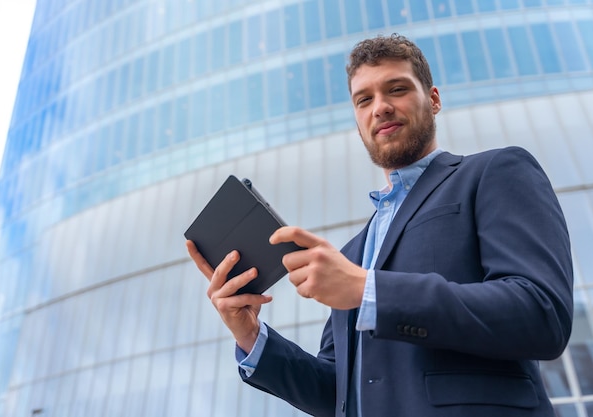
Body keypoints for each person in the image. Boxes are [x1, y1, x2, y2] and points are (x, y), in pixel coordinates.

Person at [186, 34, 573, 417]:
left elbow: (542, 313)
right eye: (364, 99)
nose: (381, 107)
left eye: (397, 89)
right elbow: (337, 392)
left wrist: (367, 290)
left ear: (433, 100)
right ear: (357, 121)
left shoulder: (494, 172)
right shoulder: (353, 253)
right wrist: (250, 336)